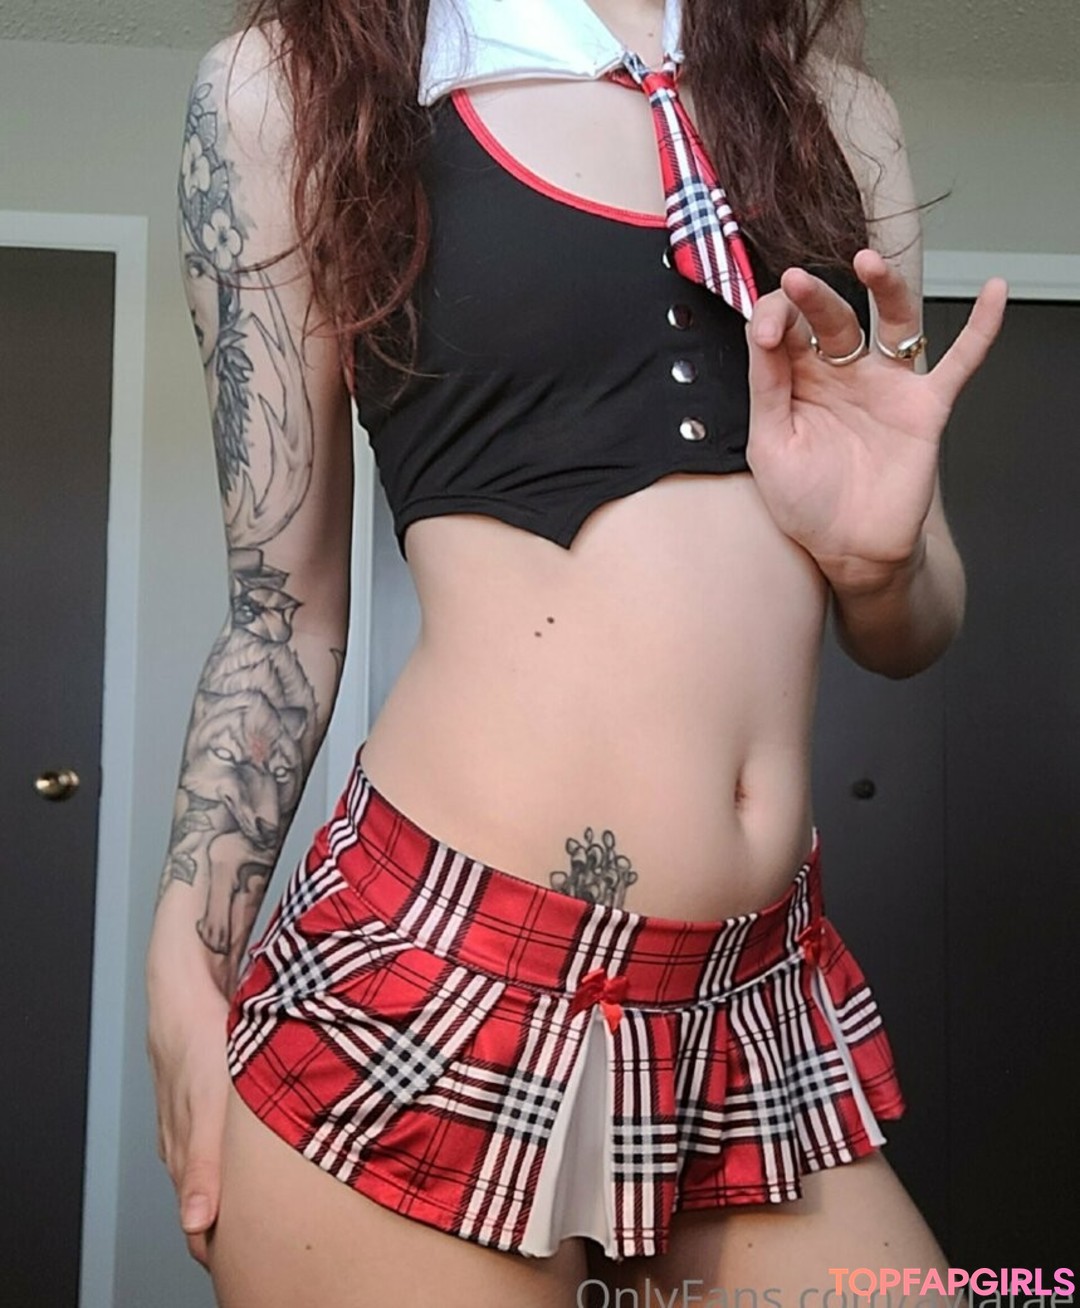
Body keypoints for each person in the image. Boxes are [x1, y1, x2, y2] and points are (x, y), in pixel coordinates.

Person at [146, 0, 1007, 1304]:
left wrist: (880, 561)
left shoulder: (838, 115)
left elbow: (915, 624)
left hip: (749, 1005)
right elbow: (281, 617)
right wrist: (184, 950)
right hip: (433, 984)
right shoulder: (288, 89)